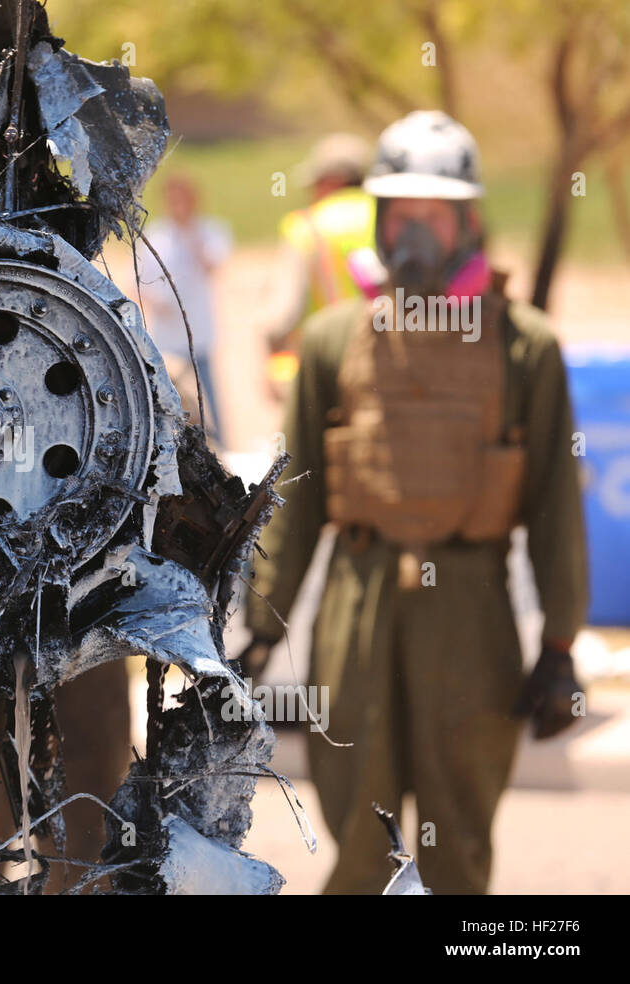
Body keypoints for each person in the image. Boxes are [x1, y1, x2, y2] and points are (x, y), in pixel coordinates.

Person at [241, 110, 589, 894]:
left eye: (434, 214)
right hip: (356, 606)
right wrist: (261, 630)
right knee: (361, 848)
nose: (415, 233)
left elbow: (555, 506)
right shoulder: (333, 341)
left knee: (457, 850)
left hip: (471, 612)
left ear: (467, 221)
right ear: (378, 219)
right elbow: (293, 505)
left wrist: (562, 645)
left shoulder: (524, 346)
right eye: (400, 214)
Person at [263, 134, 379, 397]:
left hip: (329, 369)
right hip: (388, 363)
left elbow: (281, 316)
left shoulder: (307, 228)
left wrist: (270, 361)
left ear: (332, 181)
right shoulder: (392, 218)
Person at [138, 175, 232, 441]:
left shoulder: (210, 230)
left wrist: (190, 234)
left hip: (199, 329)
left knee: (208, 393)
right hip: (166, 332)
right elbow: (138, 280)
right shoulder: (157, 235)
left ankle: (220, 441)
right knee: (170, 393)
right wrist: (155, 300)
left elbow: (212, 265)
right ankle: (174, 441)